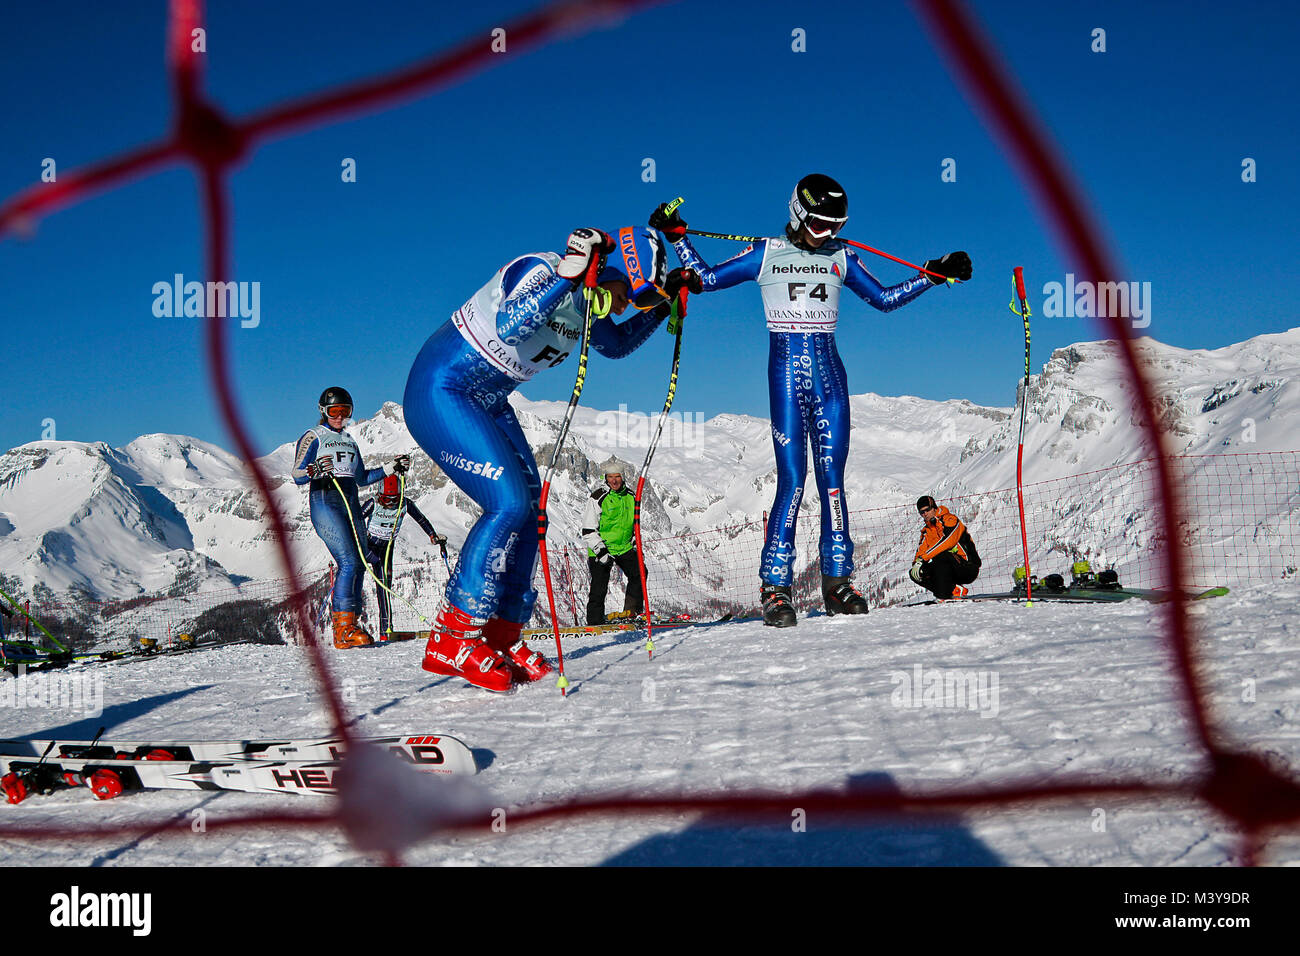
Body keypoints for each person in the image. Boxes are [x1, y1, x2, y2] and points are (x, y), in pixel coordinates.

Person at [651, 174, 971, 627]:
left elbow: (882, 298)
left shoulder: (841, 255)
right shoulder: (765, 252)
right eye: (819, 224)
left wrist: (933, 275)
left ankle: (837, 583)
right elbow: (704, 279)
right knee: (792, 481)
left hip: (831, 379)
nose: (827, 235)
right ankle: (775, 588)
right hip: (784, 377)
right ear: (797, 213)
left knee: (833, 481)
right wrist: (678, 237)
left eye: (835, 226)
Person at [403, 226, 699, 692]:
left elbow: (616, 345)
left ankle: (500, 633)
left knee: (533, 511)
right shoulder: (543, 269)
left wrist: (664, 306)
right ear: (614, 272)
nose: (625, 307)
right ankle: (452, 635)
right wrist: (569, 275)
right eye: (627, 295)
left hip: (489, 400)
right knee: (509, 505)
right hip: (443, 391)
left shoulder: (587, 304)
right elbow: (509, 326)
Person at [292, 387, 410, 649]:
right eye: (335, 411)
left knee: (359, 563)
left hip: (351, 500)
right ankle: (342, 629)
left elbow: (362, 478)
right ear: (323, 411)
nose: (340, 417)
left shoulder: (349, 440)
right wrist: (314, 469)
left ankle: (351, 622)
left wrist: (392, 467)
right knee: (347, 561)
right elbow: (297, 474)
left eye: (346, 412)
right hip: (326, 501)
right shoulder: (314, 436)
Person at [361, 475, 447, 638]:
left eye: (395, 499)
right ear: (380, 495)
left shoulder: (405, 503)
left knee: (384, 589)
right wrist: (362, 547)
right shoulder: (373, 503)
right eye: (387, 500)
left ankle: (386, 631)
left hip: (387, 549)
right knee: (354, 579)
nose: (392, 504)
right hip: (369, 544)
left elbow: (421, 519)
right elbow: (355, 519)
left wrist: (432, 535)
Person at [581, 459, 644, 625]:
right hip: (602, 548)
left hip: (623, 547)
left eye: (617, 476)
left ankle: (632, 613)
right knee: (599, 587)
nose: (614, 480)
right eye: (610, 477)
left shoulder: (631, 497)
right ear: (606, 478)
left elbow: (634, 525)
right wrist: (601, 551)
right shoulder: (598, 497)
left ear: (622, 477)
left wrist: (635, 544)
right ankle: (594, 623)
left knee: (639, 573)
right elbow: (588, 529)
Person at [910, 495, 981, 600]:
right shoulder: (927, 531)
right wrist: (917, 563)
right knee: (915, 573)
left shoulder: (950, 519)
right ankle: (953, 589)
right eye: (922, 512)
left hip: (967, 567)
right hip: (946, 568)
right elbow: (921, 551)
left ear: (934, 508)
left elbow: (948, 541)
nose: (925, 514)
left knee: (942, 555)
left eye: (927, 510)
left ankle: (943, 594)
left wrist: (923, 558)